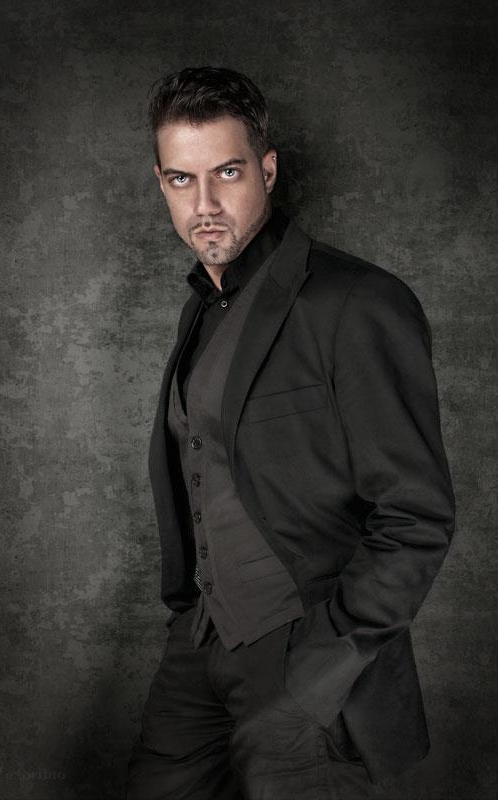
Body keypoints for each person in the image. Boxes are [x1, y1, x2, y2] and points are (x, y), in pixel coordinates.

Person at [126, 66, 455, 800]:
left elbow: (417, 514)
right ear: (161, 183)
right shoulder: (200, 309)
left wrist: (320, 667)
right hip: (200, 640)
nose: (204, 205)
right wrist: (190, 616)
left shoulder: (357, 301)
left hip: (305, 651)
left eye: (227, 172)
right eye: (181, 179)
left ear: (267, 170)